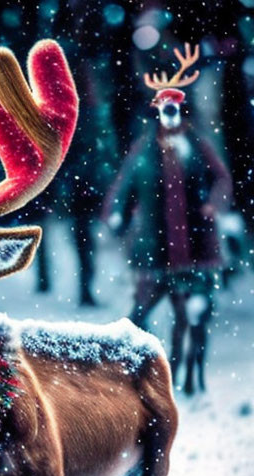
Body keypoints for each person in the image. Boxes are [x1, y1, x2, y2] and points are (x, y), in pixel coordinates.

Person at [103, 43, 232, 394]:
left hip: (195, 245)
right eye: (164, 108)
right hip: (156, 247)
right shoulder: (145, 148)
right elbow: (124, 184)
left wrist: (214, 206)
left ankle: (185, 377)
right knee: (142, 312)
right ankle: (141, 372)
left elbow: (221, 178)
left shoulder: (197, 145)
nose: (170, 113)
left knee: (190, 317)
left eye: (174, 107)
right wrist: (116, 213)